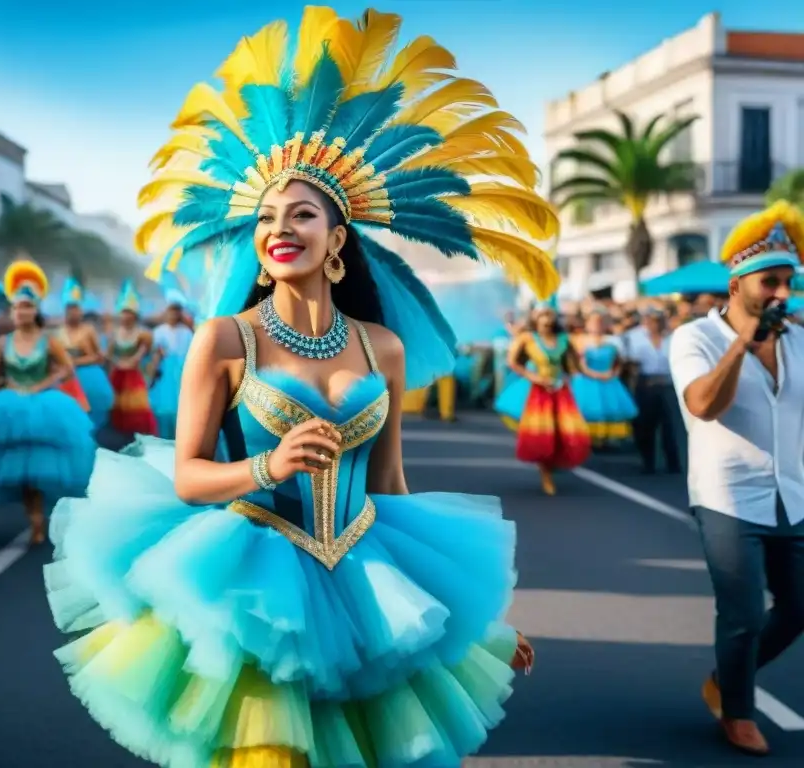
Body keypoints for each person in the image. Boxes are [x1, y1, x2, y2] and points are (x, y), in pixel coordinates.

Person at [43, 7, 560, 765]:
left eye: (302, 213)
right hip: (251, 583)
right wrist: (267, 467)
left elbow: (391, 486)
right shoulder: (225, 339)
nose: (280, 227)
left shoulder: (380, 346)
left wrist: (476, 628)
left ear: (337, 238)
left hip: (365, 586)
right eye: (266, 217)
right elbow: (188, 475)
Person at [669, 201, 804, 757]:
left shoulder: (798, 339)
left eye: (788, 282)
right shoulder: (693, 339)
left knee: (799, 608)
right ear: (737, 282)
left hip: (792, 495)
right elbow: (703, 405)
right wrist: (740, 345)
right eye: (769, 281)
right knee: (744, 611)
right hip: (727, 496)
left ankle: (726, 679)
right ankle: (738, 709)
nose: (781, 292)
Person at [0, 260, 96, 545]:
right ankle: (33, 517)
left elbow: (67, 368)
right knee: (21, 469)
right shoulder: (2, 342)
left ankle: (46, 514)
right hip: (11, 409)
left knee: (45, 466)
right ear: (12, 311)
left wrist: (42, 384)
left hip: (45, 407)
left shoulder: (48, 341)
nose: (22, 312)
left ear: (36, 310)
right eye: (18, 307)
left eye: (27, 306)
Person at [494, 301, 593, 495]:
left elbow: (576, 365)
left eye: (549, 315)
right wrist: (534, 377)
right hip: (538, 392)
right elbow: (512, 362)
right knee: (543, 433)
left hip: (561, 391)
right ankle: (546, 473)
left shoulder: (564, 339)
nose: (546, 320)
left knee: (565, 431)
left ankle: (554, 464)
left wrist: (594, 374)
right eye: (542, 315)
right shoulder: (527, 339)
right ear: (535, 318)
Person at [570, 307, 638, 448]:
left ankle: (604, 439)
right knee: (587, 410)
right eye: (593, 322)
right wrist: (595, 374)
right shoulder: (580, 340)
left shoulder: (613, 341)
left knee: (608, 409)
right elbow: (578, 363)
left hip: (608, 379)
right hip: (587, 381)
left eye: (600, 322)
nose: (597, 325)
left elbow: (620, 361)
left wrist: (613, 374)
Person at [626, 306, 682, 474]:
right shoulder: (635, 337)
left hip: (668, 384)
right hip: (646, 383)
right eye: (649, 320)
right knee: (645, 425)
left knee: (670, 426)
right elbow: (630, 362)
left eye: (657, 321)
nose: (653, 324)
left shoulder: (672, 338)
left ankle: (673, 463)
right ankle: (647, 462)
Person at [57, 278, 113, 430]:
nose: (72, 312)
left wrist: (76, 361)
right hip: (66, 377)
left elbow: (99, 357)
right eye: (69, 308)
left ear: (81, 310)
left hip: (88, 377)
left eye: (75, 308)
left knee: (89, 415)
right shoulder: (58, 332)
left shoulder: (88, 329)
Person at [107, 279, 157, 435]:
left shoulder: (143, 334)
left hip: (134, 378)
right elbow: (108, 356)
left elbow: (140, 357)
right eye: (123, 312)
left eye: (129, 313)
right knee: (116, 415)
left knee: (136, 415)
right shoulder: (114, 334)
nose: (125, 316)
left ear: (135, 315)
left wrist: (124, 363)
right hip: (117, 377)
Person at [146, 298, 194, 439]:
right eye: (171, 311)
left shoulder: (186, 332)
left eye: (176, 311)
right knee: (163, 407)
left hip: (180, 370)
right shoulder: (159, 331)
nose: (173, 315)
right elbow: (155, 353)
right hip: (164, 371)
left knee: (180, 406)